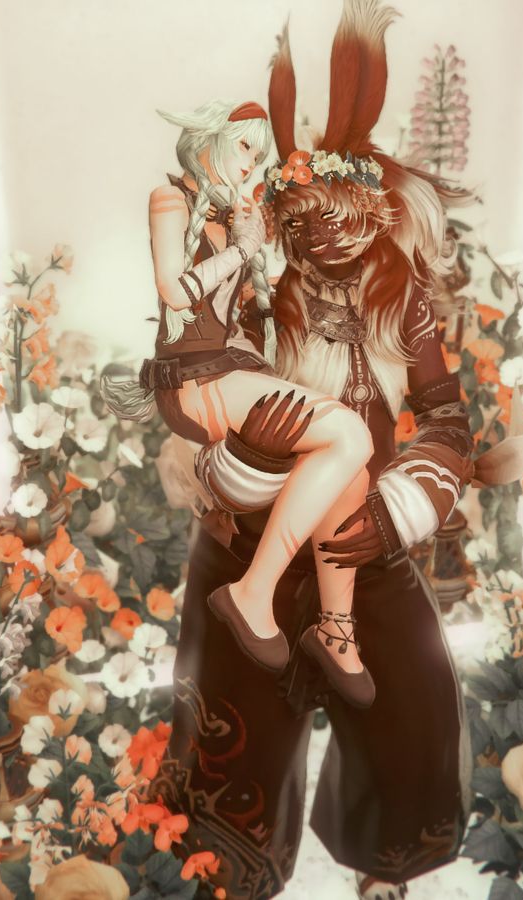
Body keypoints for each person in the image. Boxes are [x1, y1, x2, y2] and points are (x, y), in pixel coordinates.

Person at [148, 2, 481, 897]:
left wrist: (404, 507)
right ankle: (230, 870)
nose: (329, 240)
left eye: (349, 221)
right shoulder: (258, 285)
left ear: (379, 214)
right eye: (307, 224)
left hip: (367, 537)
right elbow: (197, 388)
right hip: (248, 534)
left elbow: (446, 417)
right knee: (229, 729)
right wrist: (239, 464)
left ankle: (385, 863)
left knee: (413, 707)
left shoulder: (405, 302)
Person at [128, 97, 378, 706]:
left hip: (231, 368)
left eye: (259, 154)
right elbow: (174, 291)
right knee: (351, 434)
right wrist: (242, 249)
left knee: (354, 470)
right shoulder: (171, 201)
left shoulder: (225, 214)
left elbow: (241, 315)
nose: (251, 162)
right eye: (245, 146)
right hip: (193, 381)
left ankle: (336, 629)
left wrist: (262, 257)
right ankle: (252, 592)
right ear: (213, 137)